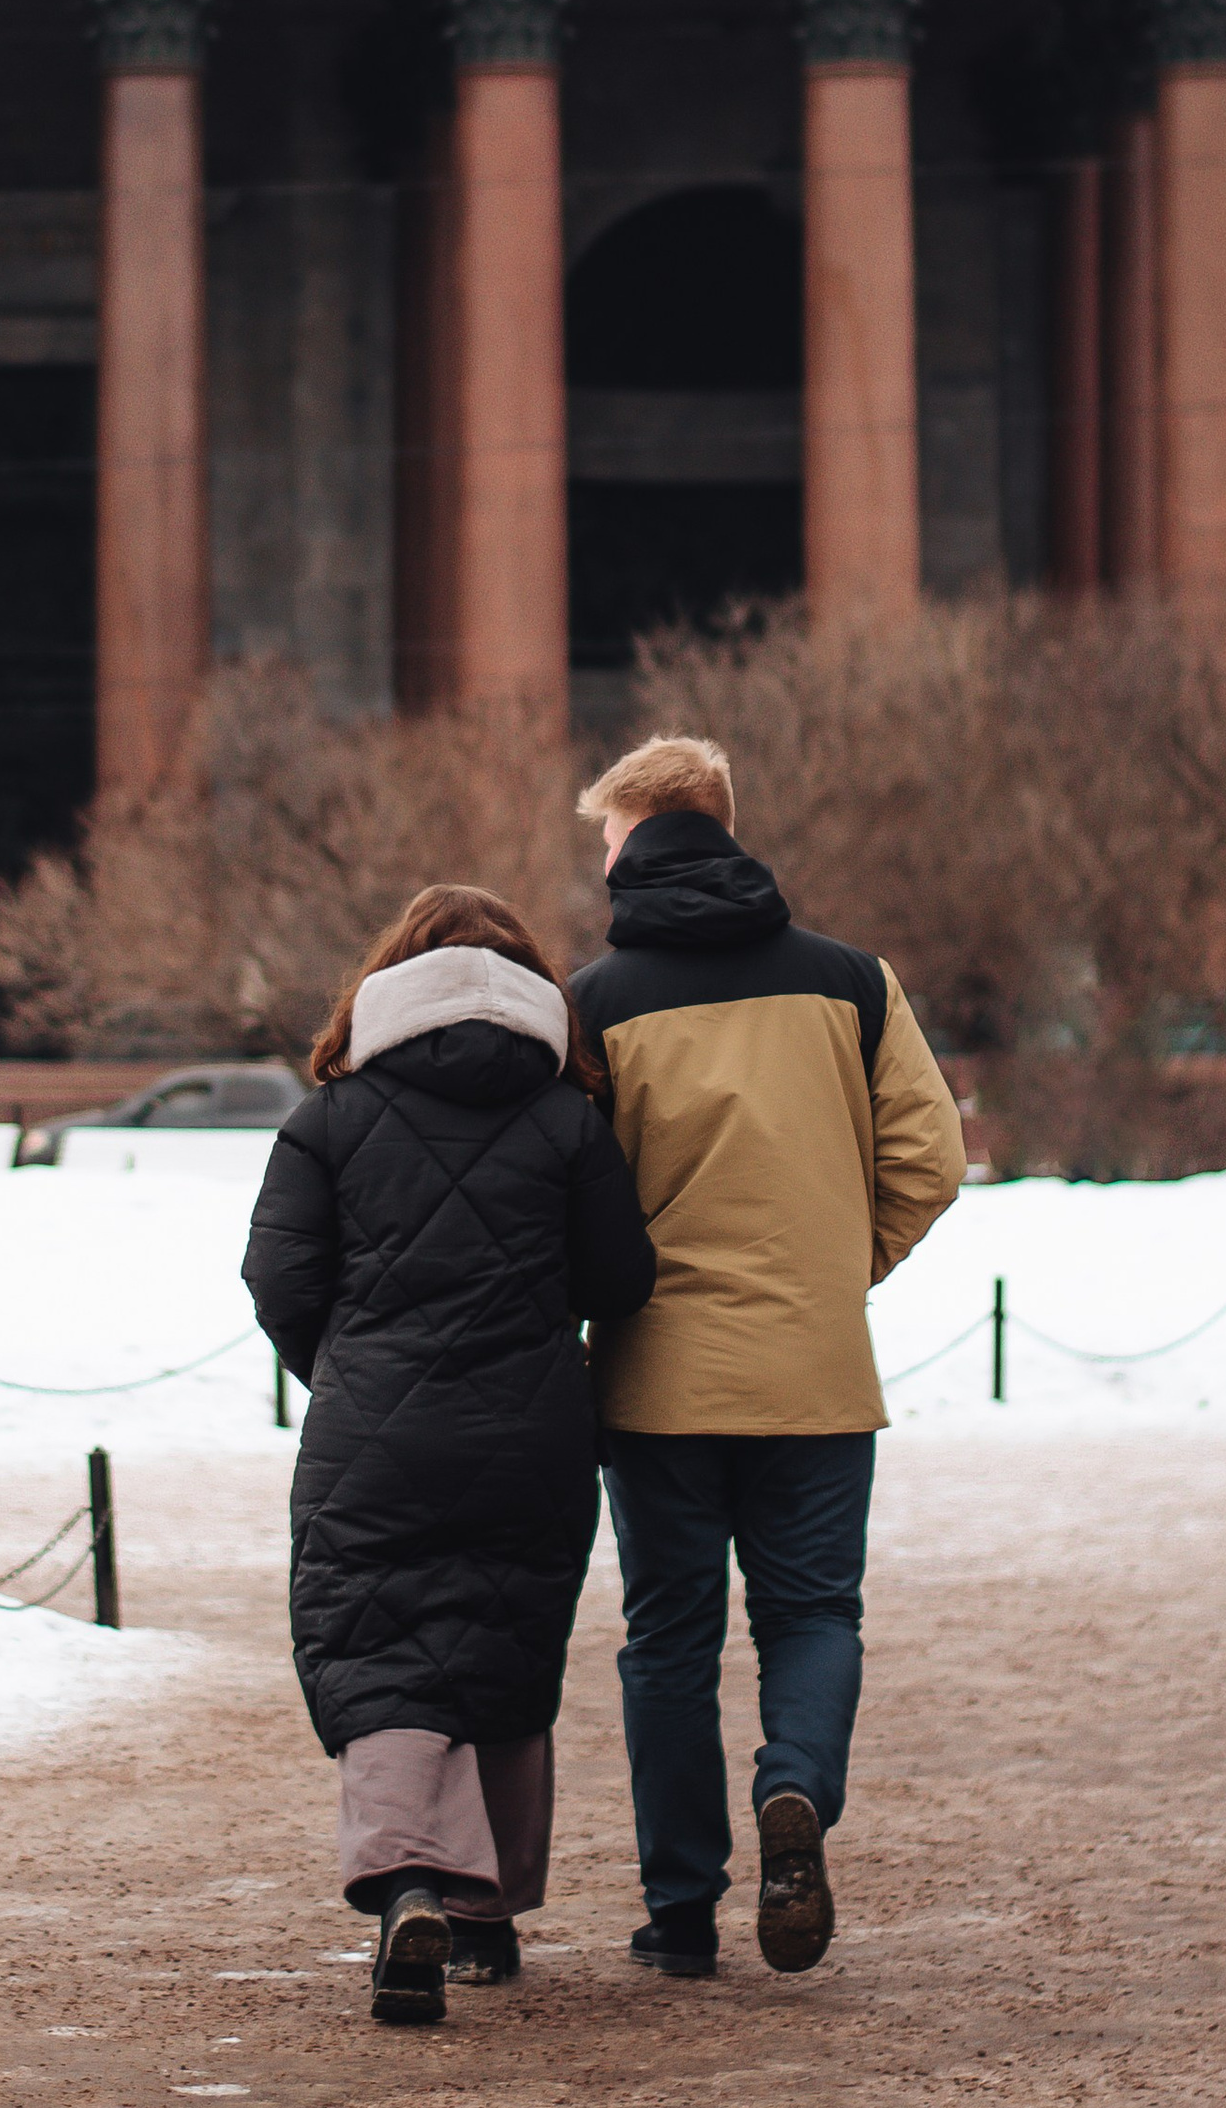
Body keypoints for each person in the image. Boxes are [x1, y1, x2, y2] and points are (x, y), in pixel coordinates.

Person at [569, 735, 964, 1986]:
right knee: (811, 1615)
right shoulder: (854, 984)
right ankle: (794, 1787)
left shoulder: (596, 1002)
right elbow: (931, 1159)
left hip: (658, 1377)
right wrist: (839, 1271)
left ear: (630, 836)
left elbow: (568, 1195)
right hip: (813, 1368)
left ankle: (680, 1912)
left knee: (669, 1643)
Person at [244, 885, 656, 2028]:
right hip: (531, 1429)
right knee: (504, 1652)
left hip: (368, 1433)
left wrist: (342, 1370)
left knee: (377, 1652)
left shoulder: (327, 1117)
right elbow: (620, 1278)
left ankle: (406, 1881)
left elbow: (278, 1279)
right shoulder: (566, 1118)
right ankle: (484, 1917)